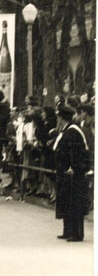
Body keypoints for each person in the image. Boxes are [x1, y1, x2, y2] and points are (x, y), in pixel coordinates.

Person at [54, 104, 91, 242]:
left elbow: (77, 153)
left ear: (62, 118)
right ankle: (67, 230)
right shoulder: (66, 130)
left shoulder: (73, 131)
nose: (57, 119)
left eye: (58, 116)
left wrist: (73, 168)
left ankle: (77, 233)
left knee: (74, 203)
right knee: (66, 201)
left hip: (74, 173)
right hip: (65, 173)